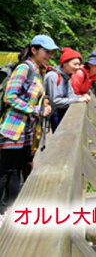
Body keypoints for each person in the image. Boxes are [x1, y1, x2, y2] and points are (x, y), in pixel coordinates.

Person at [0, 34, 58, 212]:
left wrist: (44, 105)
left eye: (51, 53)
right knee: (4, 170)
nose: (49, 56)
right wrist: (35, 110)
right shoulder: (24, 68)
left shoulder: (39, 70)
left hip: (27, 130)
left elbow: (37, 96)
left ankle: (8, 208)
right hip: (12, 127)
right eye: (46, 51)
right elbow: (10, 96)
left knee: (16, 169)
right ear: (34, 50)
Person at [45, 47, 91, 133]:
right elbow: (55, 101)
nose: (78, 67)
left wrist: (82, 96)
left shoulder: (67, 76)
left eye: (79, 64)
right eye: (75, 64)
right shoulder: (53, 76)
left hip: (63, 113)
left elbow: (71, 95)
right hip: (54, 115)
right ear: (64, 63)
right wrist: (78, 99)